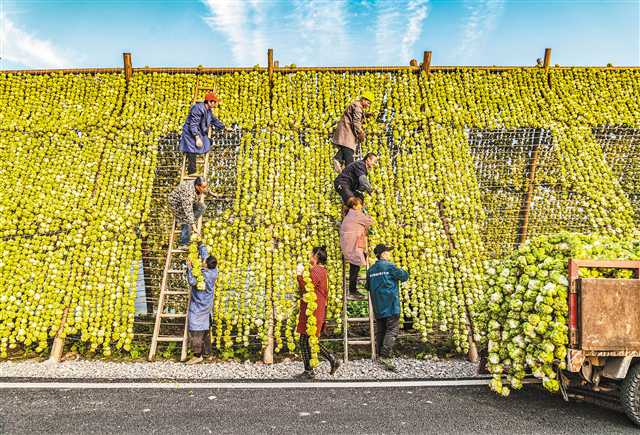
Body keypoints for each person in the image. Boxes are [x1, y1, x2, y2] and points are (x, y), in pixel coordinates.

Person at [295, 246, 341, 379]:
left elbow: (306, 287)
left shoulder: (316, 271)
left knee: (307, 340)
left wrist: (299, 275)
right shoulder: (321, 271)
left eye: (311, 254)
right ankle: (326, 362)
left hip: (313, 310)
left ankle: (315, 368)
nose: (309, 256)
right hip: (314, 309)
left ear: (316, 256)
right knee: (307, 339)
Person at [366, 244, 409, 371]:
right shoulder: (390, 266)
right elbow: (404, 276)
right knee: (392, 330)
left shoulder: (371, 270)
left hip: (378, 306)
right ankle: (385, 355)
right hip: (391, 304)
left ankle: (379, 354)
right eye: (387, 252)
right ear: (383, 254)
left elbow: (367, 287)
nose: (389, 254)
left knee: (381, 330)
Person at [185, 242, 219, 365]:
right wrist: (201, 244)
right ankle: (207, 353)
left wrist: (189, 268)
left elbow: (192, 282)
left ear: (206, 265)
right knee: (206, 329)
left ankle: (197, 355)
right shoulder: (214, 271)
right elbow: (206, 257)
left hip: (199, 305)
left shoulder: (203, 275)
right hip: (208, 305)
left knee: (196, 330)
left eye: (204, 262)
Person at [179, 92, 226, 175]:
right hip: (190, 132)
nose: (216, 104)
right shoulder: (198, 108)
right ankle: (192, 171)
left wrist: (224, 127)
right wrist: (197, 138)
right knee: (192, 149)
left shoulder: (208, 110)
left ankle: (198, 151)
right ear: (209, 102)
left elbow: (214, 120)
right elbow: (193, 125)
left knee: (208, 142)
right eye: (214, 102)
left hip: (199, 131)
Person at [340, 197, 373, 300]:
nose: (361, 206)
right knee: (355, 266)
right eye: (359, 205)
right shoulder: (356, 214)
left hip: (348, 245)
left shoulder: (349, 214)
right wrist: (366, 214)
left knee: (355, 266)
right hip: (354, 245)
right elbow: (370, 221)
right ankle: (353, 290)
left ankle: (353, 288)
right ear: (354, 206)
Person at [332, 92, 374, 173]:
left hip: (345, 130)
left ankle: (338, 159)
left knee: (346, 148)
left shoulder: (356, 105)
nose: (368, 105)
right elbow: (356, 122)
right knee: (349, 150)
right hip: (347, 131)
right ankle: (348, 172)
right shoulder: (358, 107)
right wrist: (360, 132)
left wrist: (365, 114)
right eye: (368, 103)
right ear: (364, 100)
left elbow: (355, 115)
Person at [168, 176, 208, 249]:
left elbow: (206, 189)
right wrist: (194, 226)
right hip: (177, 205)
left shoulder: (197, 183)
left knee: (202, 207)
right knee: (187, 220)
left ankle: (185, 222)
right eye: (203, 187)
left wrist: (214, 194)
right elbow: (188, 211)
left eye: (205, 186)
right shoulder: (188, 193)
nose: (205, 189)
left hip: (189, 202)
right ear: (197, 186)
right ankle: (183, 243)